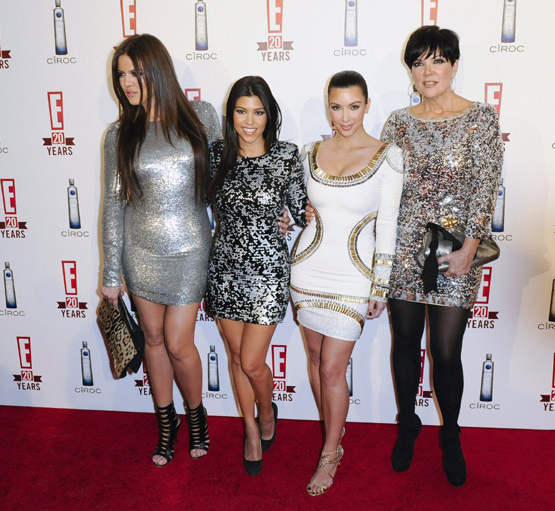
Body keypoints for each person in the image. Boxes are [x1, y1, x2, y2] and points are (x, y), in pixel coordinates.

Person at [381, 26, 503, 486]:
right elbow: (382, 185)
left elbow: (485, 187)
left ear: (454, 65)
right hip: (406, 247)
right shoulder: (397, 121)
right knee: (406, 347)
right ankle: (408, 424)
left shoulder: (480, 119)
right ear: (410, 71)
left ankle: (450, 433)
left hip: (453, 250)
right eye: (418, 62)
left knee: (446, 353)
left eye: (436, 60)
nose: (427, 71)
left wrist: (470, 247)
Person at [100, 34, 221, 466]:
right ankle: (166, 424)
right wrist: (111, 274)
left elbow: (228, 180)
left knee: (177, 342)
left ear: (158, 70)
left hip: (190, 248)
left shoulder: (201, 117)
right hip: (139, 250)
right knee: (153, 339)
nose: (127, 82)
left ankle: (197, 415)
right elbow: (114, 206)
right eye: (121, 75)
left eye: (135, 72)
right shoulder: (119, 133)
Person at [290, 70, 404, 496]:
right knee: (317, 361)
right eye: (336, 106)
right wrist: (294, 216)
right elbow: (305, 208)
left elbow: (388, 224)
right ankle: (334, 434)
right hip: (306, 270)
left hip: (353, 277)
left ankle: (330, 453)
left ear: (367, 105)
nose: (344, 116)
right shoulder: (311, 152)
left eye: (353, 106)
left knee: (334, 368)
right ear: (328, 106)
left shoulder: (388, 155)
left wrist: (381, 285)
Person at [206, 76, 308, 476]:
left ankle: (267, 410)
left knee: (251, 361)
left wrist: (302, 214)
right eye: (241, 111)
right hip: (225, 267)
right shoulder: (216, 155)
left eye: (258, 112)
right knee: (235, 357)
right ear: (231, 115)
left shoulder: (286, 155)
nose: (250, 121)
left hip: (267, 270)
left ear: (270, 115)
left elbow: (302, 210)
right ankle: (251, 429)